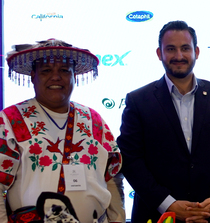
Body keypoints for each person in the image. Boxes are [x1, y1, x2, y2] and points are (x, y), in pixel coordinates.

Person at [117, 21, 210, 223]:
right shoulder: (138, 101)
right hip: (157, 215)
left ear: (196, 51)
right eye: (171, 49)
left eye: (185, 48)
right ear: (159, 53)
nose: (179, 56)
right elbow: (130, 159)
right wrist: (167, 203)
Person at [0, 39, 122, 223]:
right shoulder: (10, 120)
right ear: (33, 76)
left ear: (74, 76)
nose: (56, 77)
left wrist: (118, 219)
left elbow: (112, 176)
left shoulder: (93, 119)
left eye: (64, 71)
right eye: (46, 70)